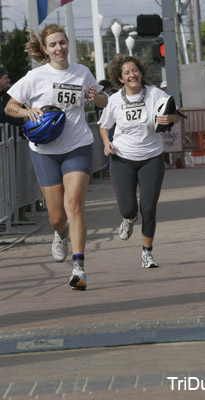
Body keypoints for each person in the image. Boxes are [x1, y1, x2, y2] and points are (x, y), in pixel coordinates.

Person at [4, 24, 108, 290]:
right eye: (53, 45)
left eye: (62, 42)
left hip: (77, 145)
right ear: (45, 49)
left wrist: (98, 97)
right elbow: (10, 107)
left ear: (67, 43)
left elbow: (104, 101)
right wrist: (29, 113)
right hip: (45, 151)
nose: (59, 48)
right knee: (56, 217)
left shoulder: (82, 72)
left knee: (74, 204)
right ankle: (60, 234)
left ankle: (79, 268)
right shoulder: (35, 76)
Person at [98, 55, 182, 268]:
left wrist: (168, 118)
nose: (132, 75)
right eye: (127, 73)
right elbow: (104, 125)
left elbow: (178, 115)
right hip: (122, 158)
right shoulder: (114, 99)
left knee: (148, 207)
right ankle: (128, 220)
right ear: (121, 78)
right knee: (128, 209)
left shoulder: (156, 94)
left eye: (134, 71)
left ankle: (147, 252)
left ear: (141, 72)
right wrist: (106, 142)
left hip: (151, 157)